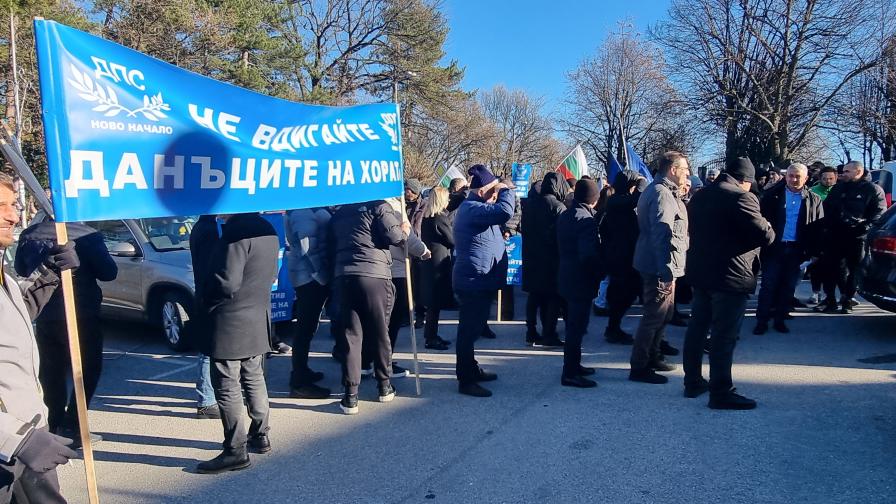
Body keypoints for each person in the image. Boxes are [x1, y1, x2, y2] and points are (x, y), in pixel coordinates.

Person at [1, 173, 79, 503]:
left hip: (31, 434)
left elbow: (12, 323)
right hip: (11, 442)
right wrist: (16, 439)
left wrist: (50, 274)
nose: (13, 215)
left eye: (13, 205)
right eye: (0, 207)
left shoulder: (2, 270)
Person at [683, 157, 775, 409]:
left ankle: (692, 382)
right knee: (724, 336)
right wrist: (768, 225)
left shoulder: (701, 195)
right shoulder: (741, 197)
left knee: (697, 329)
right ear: (746, 180)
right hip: (730, 276)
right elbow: (764, 235)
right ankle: (721, 391)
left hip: (701, 273)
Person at [15, 220, 117, 444]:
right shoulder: (87, 234)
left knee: (53, 374)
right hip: (81, 314)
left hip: (45, 314)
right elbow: (109, 272)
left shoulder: (31, 233)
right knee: (85, 372)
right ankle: (72, 426)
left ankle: (56, 424)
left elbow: (21, 270)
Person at [196, 212, 279, 473]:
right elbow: (272, 272)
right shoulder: (267, 228)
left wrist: (206, 301)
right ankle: (260, 435)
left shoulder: (236, 232)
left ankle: (235, 450)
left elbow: (227, 282)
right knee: (254, 377)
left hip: (229, 321)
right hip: (258, 315)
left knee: (227, 385)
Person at [329, 199, 406, 414]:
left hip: (345, 275)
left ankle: (350, 395)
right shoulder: (379, 206)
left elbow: (332, 243)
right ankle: (384, 385)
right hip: (375, 274)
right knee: (380, 331)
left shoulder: (340, 211)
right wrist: (404, 229)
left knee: (351, 336)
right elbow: (395, 237)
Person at [628, 152, 690, 385]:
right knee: (654, 316)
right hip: (658, 266)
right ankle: (640, 365)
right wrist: (665, 270)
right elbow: (661, 233)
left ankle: (653, 356)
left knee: (664, 314)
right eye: (684, 169)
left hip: (663, 265)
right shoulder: (660, 193)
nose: (687, 174)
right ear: (672, 169)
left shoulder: (662, 191)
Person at [452, 164, 515, 397]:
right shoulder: (471, 208)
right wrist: (506, 189)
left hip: (480, 280)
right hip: (472, 281)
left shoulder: (478, 207)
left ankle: (471, 368)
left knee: (474, 328)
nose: (497, 193)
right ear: (483, 191)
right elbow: (505, 212)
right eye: (493, 189)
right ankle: (465, 380)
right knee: (468, 332)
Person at [754, 163, 823, 334]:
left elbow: (818, 228)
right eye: (790, 175)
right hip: (774, 248)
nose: (793, 179)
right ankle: (762, 320)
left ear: (806, 178)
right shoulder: (772, 196)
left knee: (788, 286)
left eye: (797, 176)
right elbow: (760, 221)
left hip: (797, 250)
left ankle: (780, 318)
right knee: (768, 285)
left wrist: (815, 251)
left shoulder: (814, 200)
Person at [366, 199, 429, 379]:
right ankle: (385, 363)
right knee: (391, 321)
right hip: (395, 270)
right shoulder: (392, 209)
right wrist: (424, 251)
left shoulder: (366, 208)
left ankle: (367, 360)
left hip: (374, 270)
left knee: (374, 320)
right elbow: (406, 237)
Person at [817, 161, 886, 313]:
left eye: (847, 171)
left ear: (858, 172)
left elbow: (879, 214)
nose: (843, 174)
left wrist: (864, 226)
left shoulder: (872, 190)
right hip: (835, 235)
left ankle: (847, 300)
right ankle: (830, 300)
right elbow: (827, 208)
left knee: (855, 270)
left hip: (857, 237)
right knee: (831, 268)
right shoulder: (839, 187)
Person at [556, 179, 602, 388]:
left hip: (566, 275)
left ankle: (574, 365)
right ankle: (570, 372)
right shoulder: (586, 221)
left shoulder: (566, 214)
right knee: (576, 328)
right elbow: (588, 256)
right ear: (594, 198)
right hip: (580, 280)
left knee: (573, 326)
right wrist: (600, 272)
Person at [284, 207, 333, 399]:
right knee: (305, 328)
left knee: (309, 326)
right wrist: (320, 275)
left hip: (309, 276)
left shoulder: (307, 208)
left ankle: (302, 371)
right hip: (309, 278)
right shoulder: (303, 210)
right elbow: (306, 246)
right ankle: (299, 382)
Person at [520, 172, 567, 348]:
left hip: (531, 255)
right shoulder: (558, 207)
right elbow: (561, 235)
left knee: (534, 296)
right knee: (552, 297)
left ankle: (531, 331)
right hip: (551, 258)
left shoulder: (530, 204)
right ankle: (549, 333)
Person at [599, 170, 641, 345]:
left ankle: (613, 327)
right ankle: (613, 328)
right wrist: (642, 182)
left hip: (618, 253)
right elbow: (637, 199)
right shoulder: (619, 201)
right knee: (624, 292)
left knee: (623, 292)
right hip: (622, 255)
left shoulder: (616, 201)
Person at [421, 186, 455, 351]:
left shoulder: (427, 217)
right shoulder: (440, 218)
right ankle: (431, 337)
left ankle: (431, 334)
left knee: (433, 303)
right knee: (435, 303)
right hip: (438, 260)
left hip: (429, 261)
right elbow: (452, 239)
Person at [806, 167, 837, 304]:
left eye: (830, 178)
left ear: (835, 178)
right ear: (820, 178)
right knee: (815, 265)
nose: (828, 181)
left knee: (831, 266)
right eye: (825, 178)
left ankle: (829, 294)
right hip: (816, 232)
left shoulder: (839, 191)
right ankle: (815, 292)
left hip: (833, 233)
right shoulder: (812, 192)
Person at [404, 179, 428, 328]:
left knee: (419, 285)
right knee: (406, 284)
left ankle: (420, 315)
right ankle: (405, 315)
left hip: (419, 247)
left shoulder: (424, 205)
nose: (407, 193)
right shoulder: (402, 204)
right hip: (404, 248)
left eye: (409, 190)